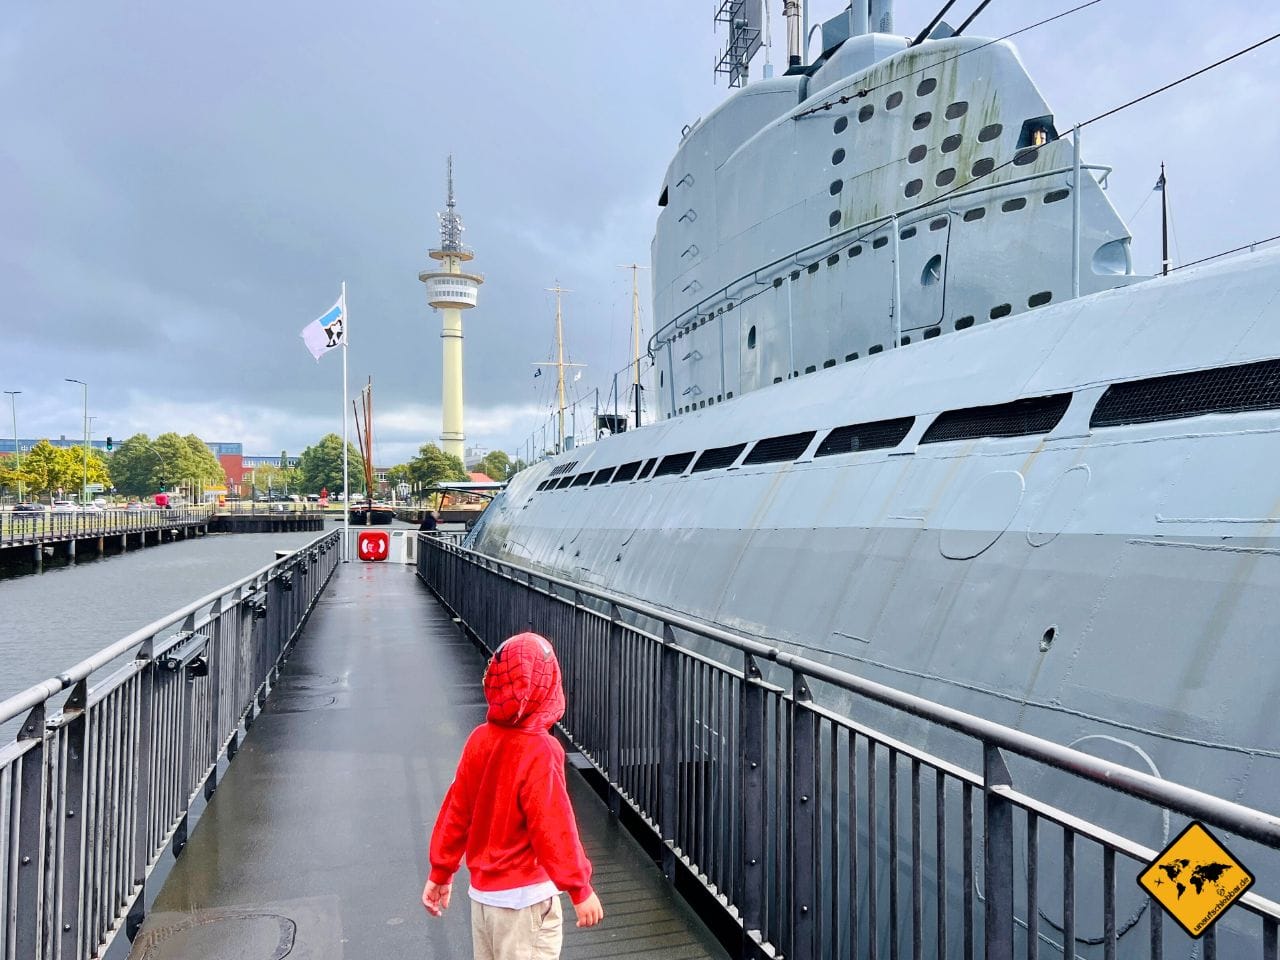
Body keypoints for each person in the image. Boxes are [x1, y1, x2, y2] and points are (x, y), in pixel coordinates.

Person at [422, 632, 604, 959]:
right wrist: (580, 888)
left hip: (483, 901)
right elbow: (553, 827)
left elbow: (456, 810)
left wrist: (441, 871)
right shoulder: (541, 750)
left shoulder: (480, 740)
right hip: (526, 906)